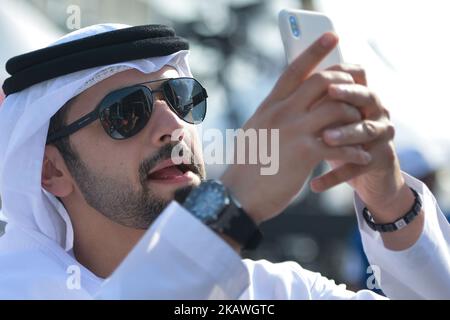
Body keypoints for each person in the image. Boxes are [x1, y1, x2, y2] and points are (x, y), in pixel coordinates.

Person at [0, 23, 449, 300]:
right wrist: (232, 203)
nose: (172, 125)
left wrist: (391, 204)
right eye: (126, 112)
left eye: (181, 98)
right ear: (51, 171)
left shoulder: (274, 291)